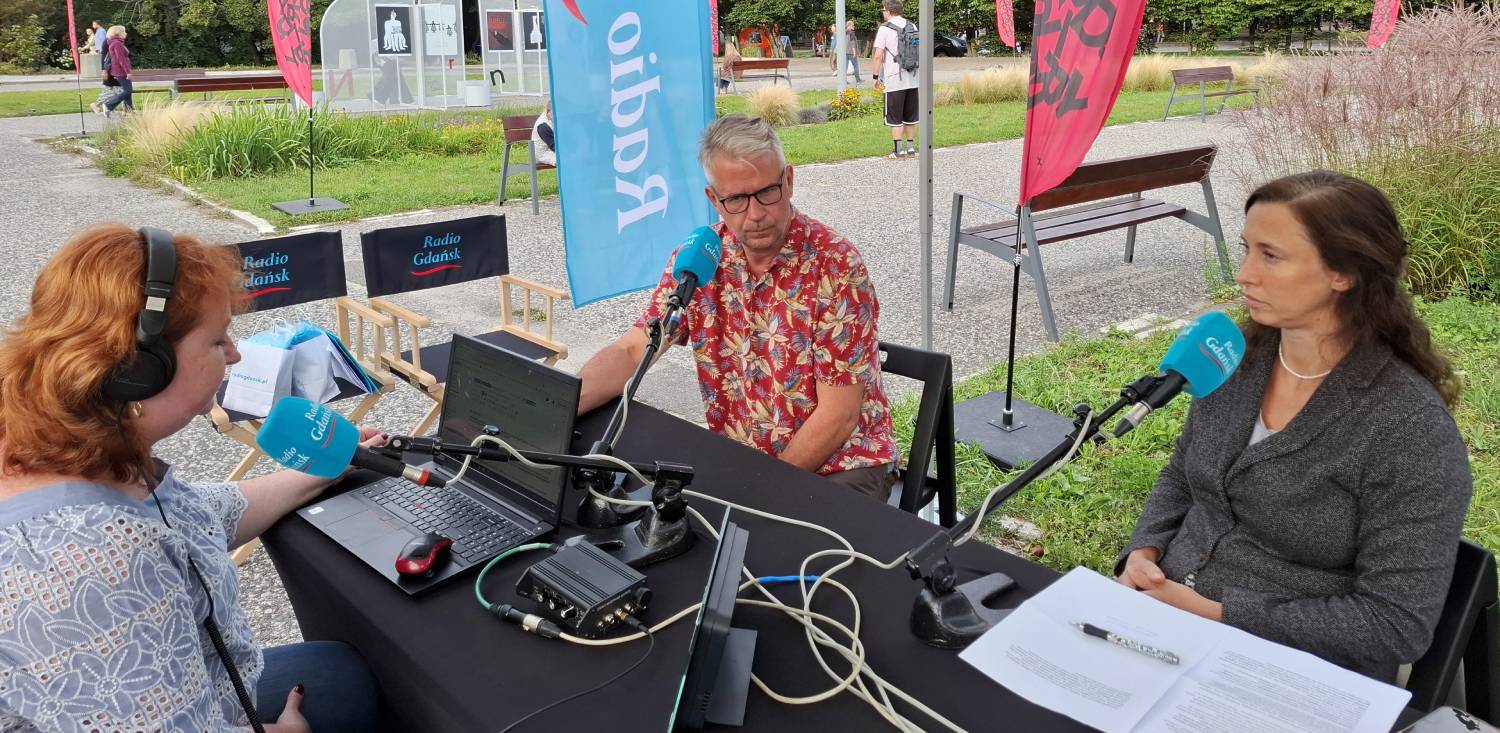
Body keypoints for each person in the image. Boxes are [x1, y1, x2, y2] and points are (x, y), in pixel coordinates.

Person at [0, 224, 385, 731]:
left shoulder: (63, 447)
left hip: (204, 691)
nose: (234, 354)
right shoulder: (93, 560)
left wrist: (320, 473)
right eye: (216, 339)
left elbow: (197, 514)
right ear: (138, 368)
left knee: (345, 669)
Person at [1115, 171, 1473, 683]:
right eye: (1246, 250)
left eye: (1271, 256)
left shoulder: (1408, 430)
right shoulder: (1234, 360)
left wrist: (1215, 613)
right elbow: (1182, 473)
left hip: (1298, 670)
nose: (1243, 274)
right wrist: (1144, 550)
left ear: (1343, 273)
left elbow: (1396, 625)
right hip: (1167, 618)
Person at [577, 114, 901, 500]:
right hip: (743, 459)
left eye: (767, 192)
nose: (756, 214)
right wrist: (557, 408)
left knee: (773, 554)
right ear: (714, 200)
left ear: (789, 181)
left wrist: (756, 492)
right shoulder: (700, 260)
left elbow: (839, 416)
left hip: (843, 463)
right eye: (736, 199)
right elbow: (635, 348)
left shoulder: (835, 265)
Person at [873, 0, 919, 159]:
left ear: (888, 11)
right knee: (910, 115)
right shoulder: (912, 26)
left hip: (894, 77)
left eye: (883, 9)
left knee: (895, 115)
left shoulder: (885, 28)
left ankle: (898, 151)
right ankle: (911, 148)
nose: (882, 12)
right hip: (913, 76)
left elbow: (878, 55)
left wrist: (875, 77)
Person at [103, 25, 134, 116]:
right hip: (121, 71)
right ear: (118, 33)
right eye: (124, 32)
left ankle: (129, 110)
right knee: (128, 90)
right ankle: (108, 105)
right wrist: (127, 72)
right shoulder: (117, 43)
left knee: (127, 90)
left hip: (119, 70)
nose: (126, 33)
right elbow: (121, 59)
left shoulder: (116, 42)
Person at [531, 101, 556, 167]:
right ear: (548, 112)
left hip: (551, 149)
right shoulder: (543, 126)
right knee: (566, 160)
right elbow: (553, 146)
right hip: (543, 154)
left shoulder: (550, 118)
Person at [844, 20, 862, 86]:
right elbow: (853, 43)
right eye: (852, 25)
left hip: (845, 52)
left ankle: (844, 80)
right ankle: (858, 79)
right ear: (849, 26)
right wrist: (855, 52)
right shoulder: (852, 33)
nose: (853, 26)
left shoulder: (844, 33)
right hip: (851, 52)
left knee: (844, 67)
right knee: (856, 65)